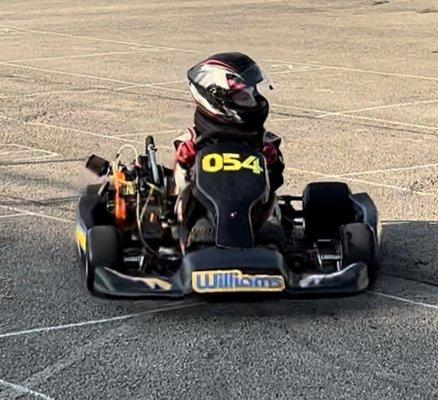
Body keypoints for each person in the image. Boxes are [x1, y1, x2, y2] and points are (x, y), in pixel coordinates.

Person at [173, 52, 284, 194]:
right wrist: (184, 165)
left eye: (253, 93)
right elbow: (178, 193)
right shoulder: (189, 142)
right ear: (217, 99)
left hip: (253, 208)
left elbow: (275, 183)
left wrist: (272, 163)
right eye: (244, 96)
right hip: (204, 209)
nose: (253, 100)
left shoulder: (264, 141)